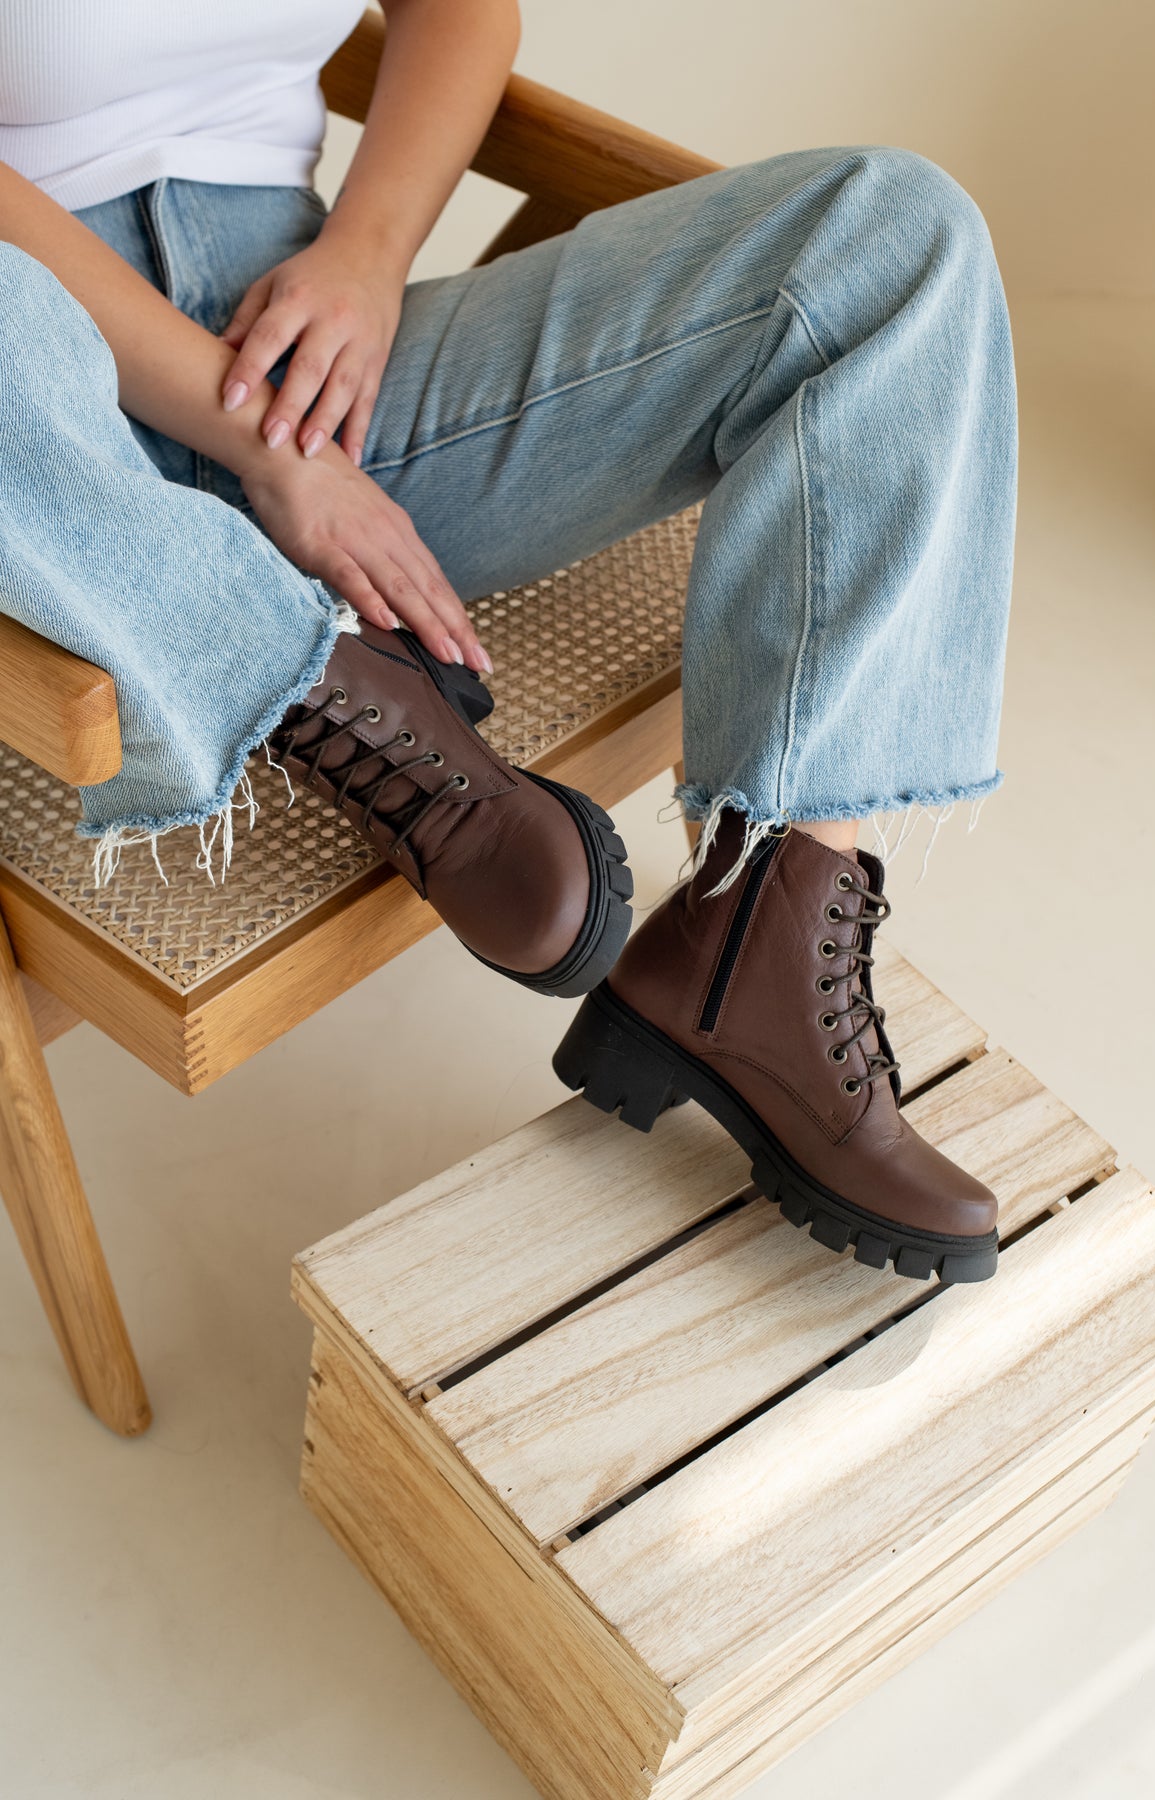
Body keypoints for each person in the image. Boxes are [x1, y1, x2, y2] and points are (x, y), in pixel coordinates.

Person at [0, 0, 1016, 1283]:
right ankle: (324, 681)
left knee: (894, 235)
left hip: (310, 359)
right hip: (38, 439)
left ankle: (761, 936)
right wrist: (262, 447)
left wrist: (365, 259)